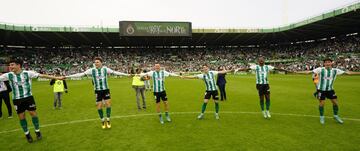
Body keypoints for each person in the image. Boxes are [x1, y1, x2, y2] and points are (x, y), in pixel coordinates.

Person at [0, 59, 64, 143]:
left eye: (12, 65)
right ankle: (27, 134)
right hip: (17, 99)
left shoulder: (28, 73)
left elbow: (42, 75)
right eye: (9, 65)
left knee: (33, 114)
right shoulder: (8, 75)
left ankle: (37, 131)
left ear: (18, 65)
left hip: (28, 97)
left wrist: (57, 77)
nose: (10, 67)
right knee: (22, 117)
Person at [66, 57, 130, 129]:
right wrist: (67, 76)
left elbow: (115, 72)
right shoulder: (92, 70)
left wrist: (127, 75)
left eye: (97, 62)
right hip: (97, 91)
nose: (96, 63)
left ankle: (108, 120)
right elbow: (81, 74)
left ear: (101, 63)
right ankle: (102, 120)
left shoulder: (105, 69)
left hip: (106, 89)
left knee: (108, 104)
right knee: (99, 106)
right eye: (95, 62)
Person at [296, 58, 360, 124]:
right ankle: (322, 117)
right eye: (326, 62)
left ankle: (335, 116)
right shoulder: (320, 69)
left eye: (329, 62)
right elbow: (308, 72)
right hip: (321, 90)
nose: (328, 63)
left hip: (330, 90)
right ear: (324, 63)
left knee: (335, 103)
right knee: (322, 104)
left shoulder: (335, 70)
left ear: (331, 63)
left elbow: (349, 73)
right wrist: (297, 72)